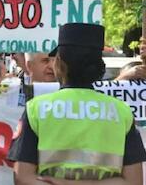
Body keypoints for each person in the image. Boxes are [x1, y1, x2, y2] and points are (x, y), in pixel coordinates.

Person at [8, 23, 146, 184]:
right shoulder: (122, 112)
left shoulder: (36, 109)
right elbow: (134, 181)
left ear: (60, 63)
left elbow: (22, 177)